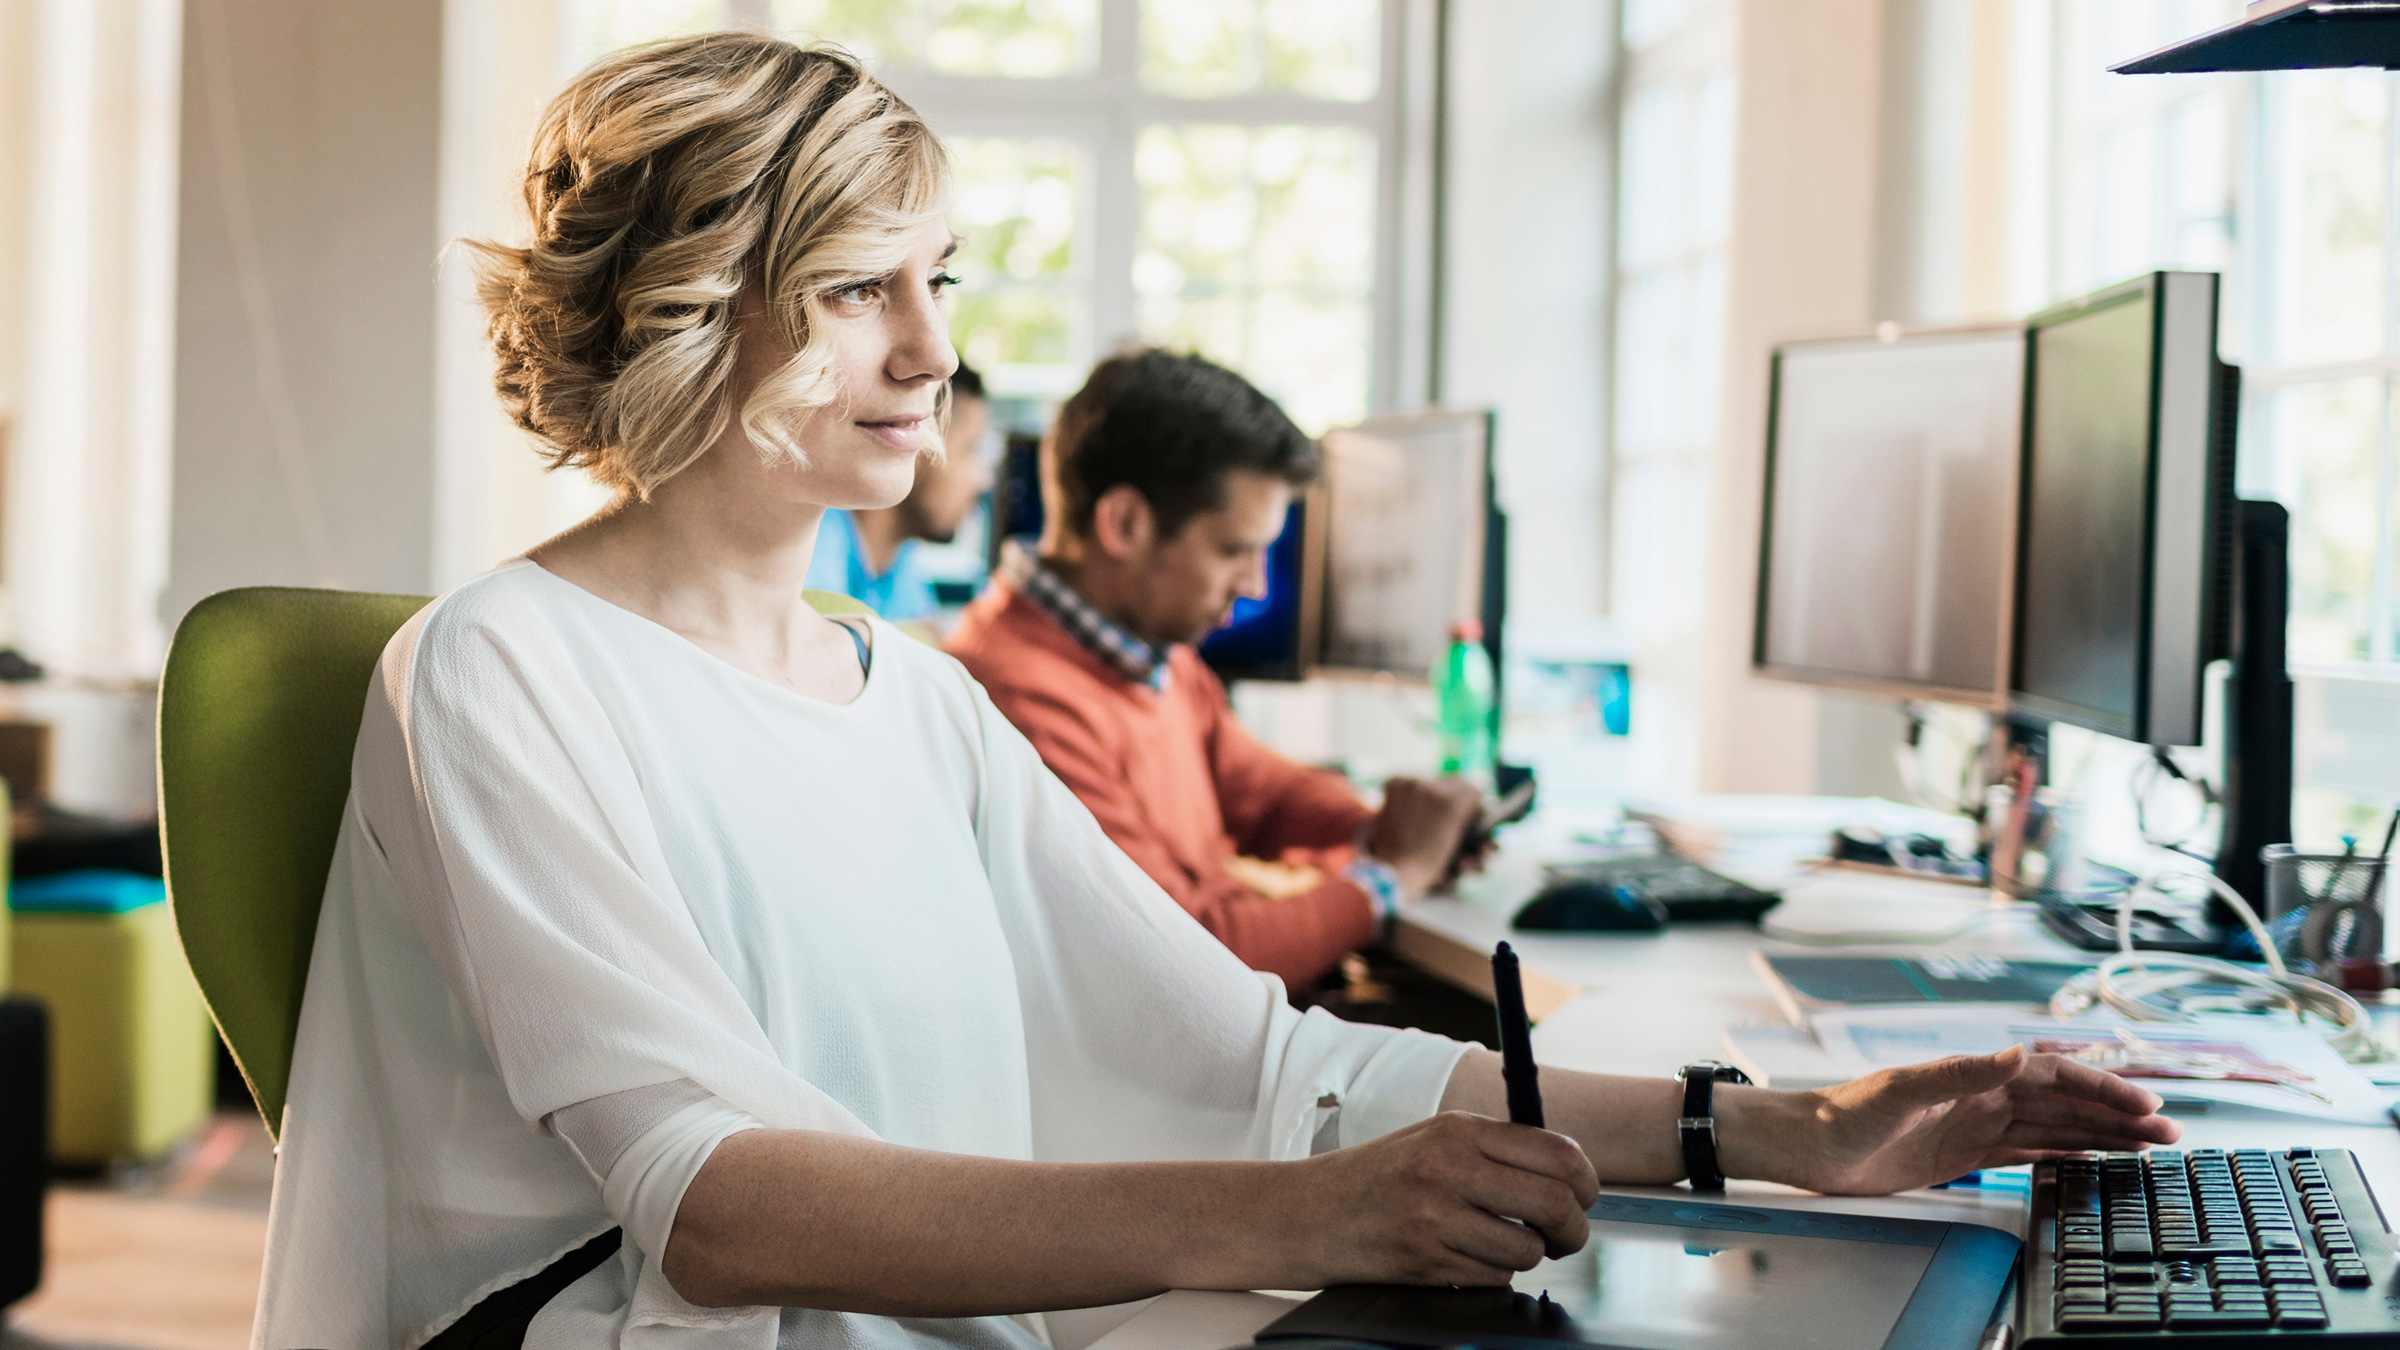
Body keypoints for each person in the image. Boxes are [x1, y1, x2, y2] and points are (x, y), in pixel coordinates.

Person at [253, 33, 2178, 1350]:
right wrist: (1307, 1221)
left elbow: (1269, 1074)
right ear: (685, 306)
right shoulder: (505, 673)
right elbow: (722, 1205)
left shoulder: (907, 704)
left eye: (940, 278)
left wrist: (1791, 1133)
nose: (936, 351)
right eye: (859, 287)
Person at [945, 350, 1485, 988]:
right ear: (1125, 524)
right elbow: (1192, 957)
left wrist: (1383, 826)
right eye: (1236, 550)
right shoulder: (1013, 698)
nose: (1256, 586)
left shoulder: (1151, 655)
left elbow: (1262, 792)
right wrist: (1392, 876)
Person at [804, 362, 994, 621]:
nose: (984, 480)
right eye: (970, 448)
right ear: (911, 442)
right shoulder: (809, 558)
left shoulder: (899, 565)